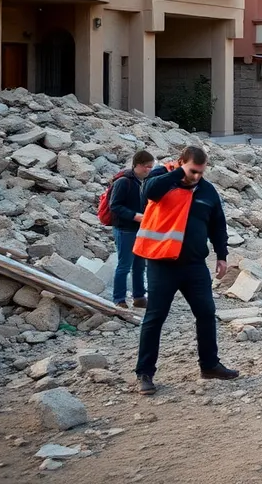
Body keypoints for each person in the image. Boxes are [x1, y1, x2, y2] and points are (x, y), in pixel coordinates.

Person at [133, 146, 238, 395]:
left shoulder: (206, 190)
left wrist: (222, 254)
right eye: (192, 171)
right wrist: (177, 174)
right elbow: (149, 192)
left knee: (206, 313)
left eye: (201, 172)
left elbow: (217, 223)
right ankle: (145, 373)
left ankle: (209, 365)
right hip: (162, 264)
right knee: (155, 317)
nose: (196, 177)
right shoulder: (161, 178)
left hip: (193, 266)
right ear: (181, 163)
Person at [106, 150, 160, 308]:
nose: (148, 170)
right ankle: (119, 299)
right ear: (137, 165)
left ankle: (139, 297)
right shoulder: (123, 182)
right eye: (146, 167)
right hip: (124, 229)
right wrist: (134, 216)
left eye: (151, 167)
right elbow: (114, 206)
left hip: (139, 229)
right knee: (124, 264)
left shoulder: (141, 182)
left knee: (139, 264)